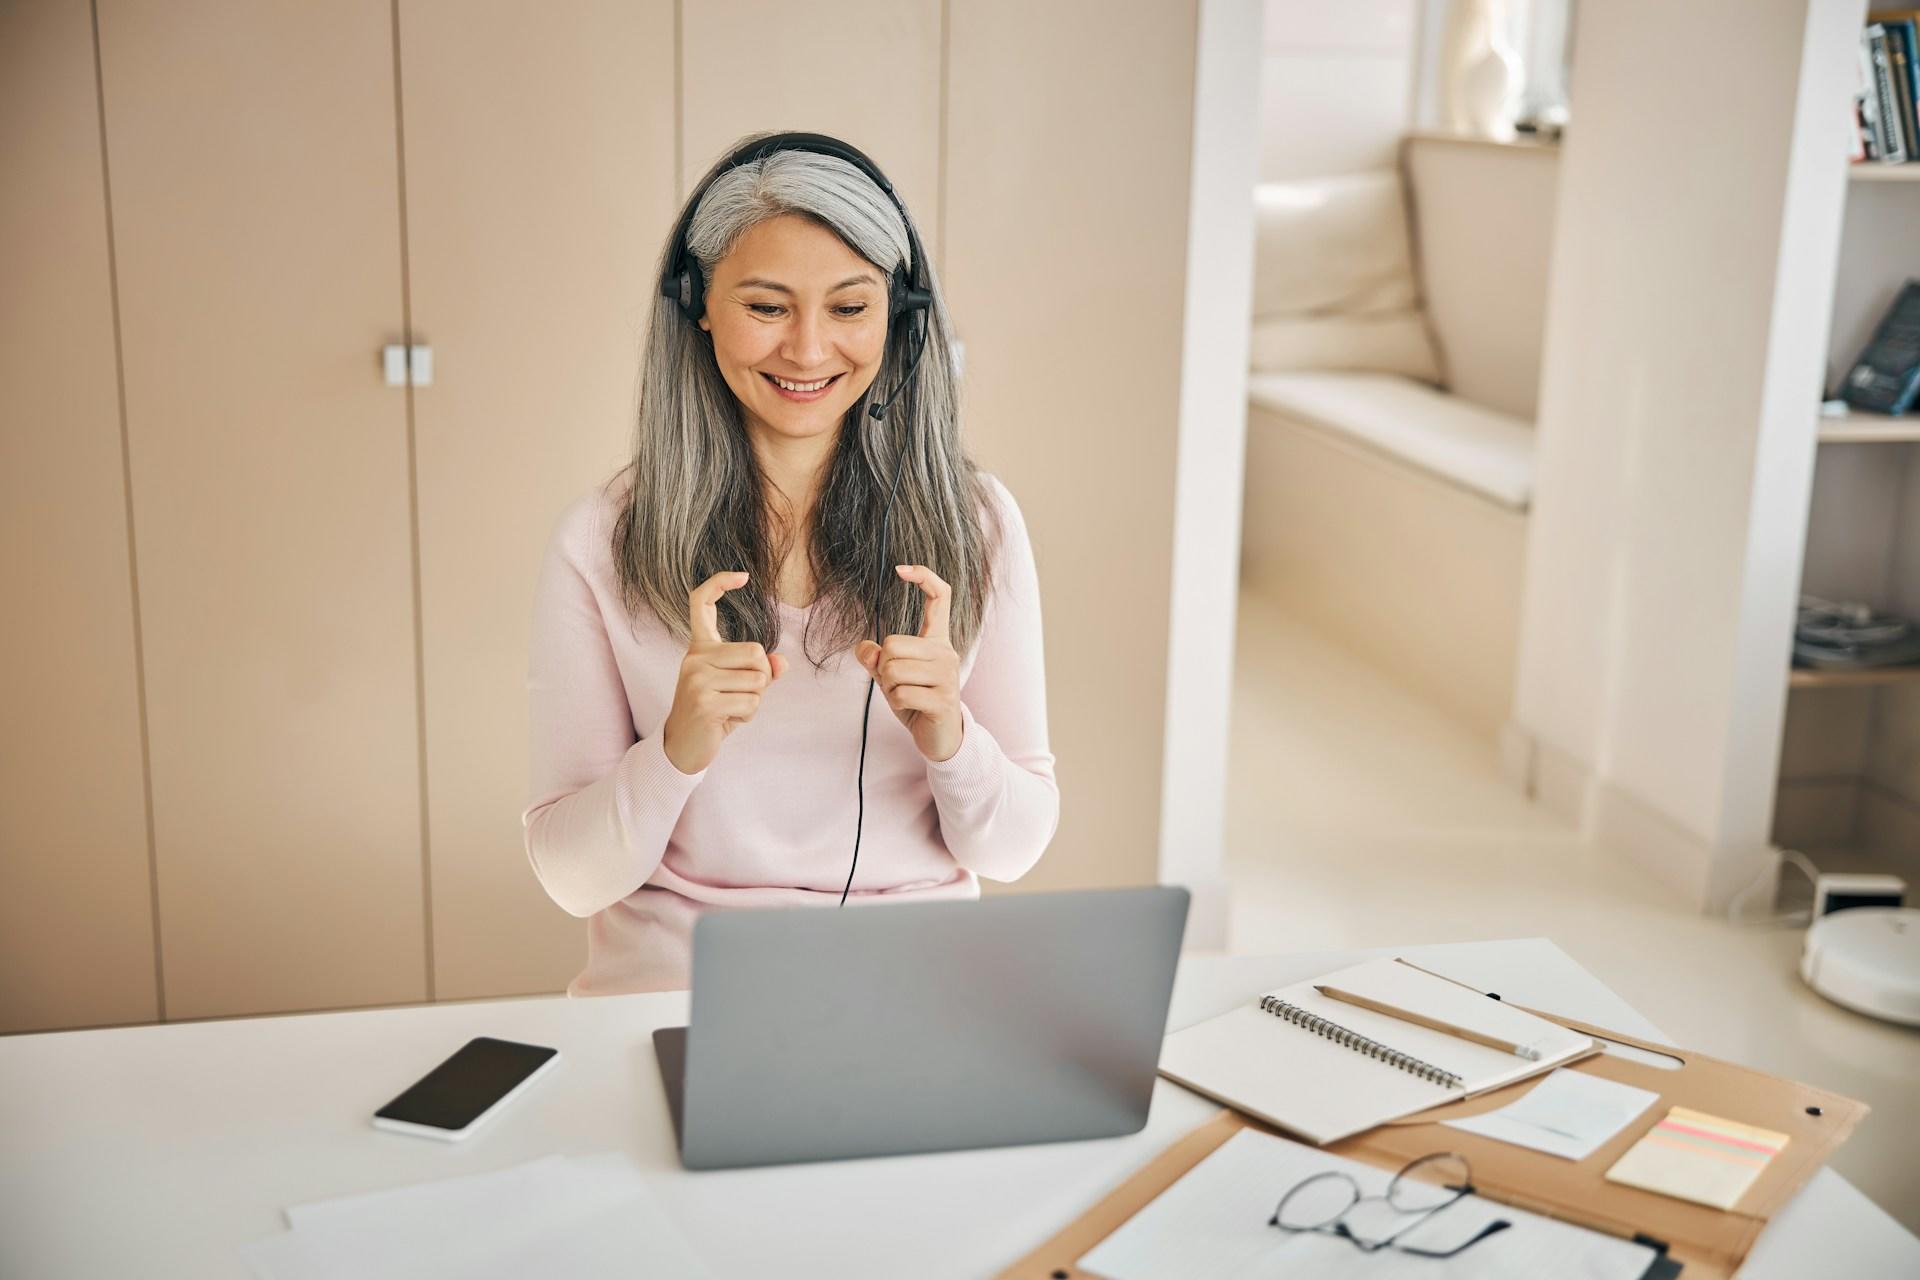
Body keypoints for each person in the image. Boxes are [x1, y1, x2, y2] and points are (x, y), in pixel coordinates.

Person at [521, 132, 1059, 995]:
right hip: (680, 992)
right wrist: (675, 750)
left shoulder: (979, 524)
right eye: (767, 307)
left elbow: (1015, 848)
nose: (808, 352)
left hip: (912, 988)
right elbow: (571, 878)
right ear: (698, 305)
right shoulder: (600, 539)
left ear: (902, 316)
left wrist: (953, 741)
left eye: (849, 308)